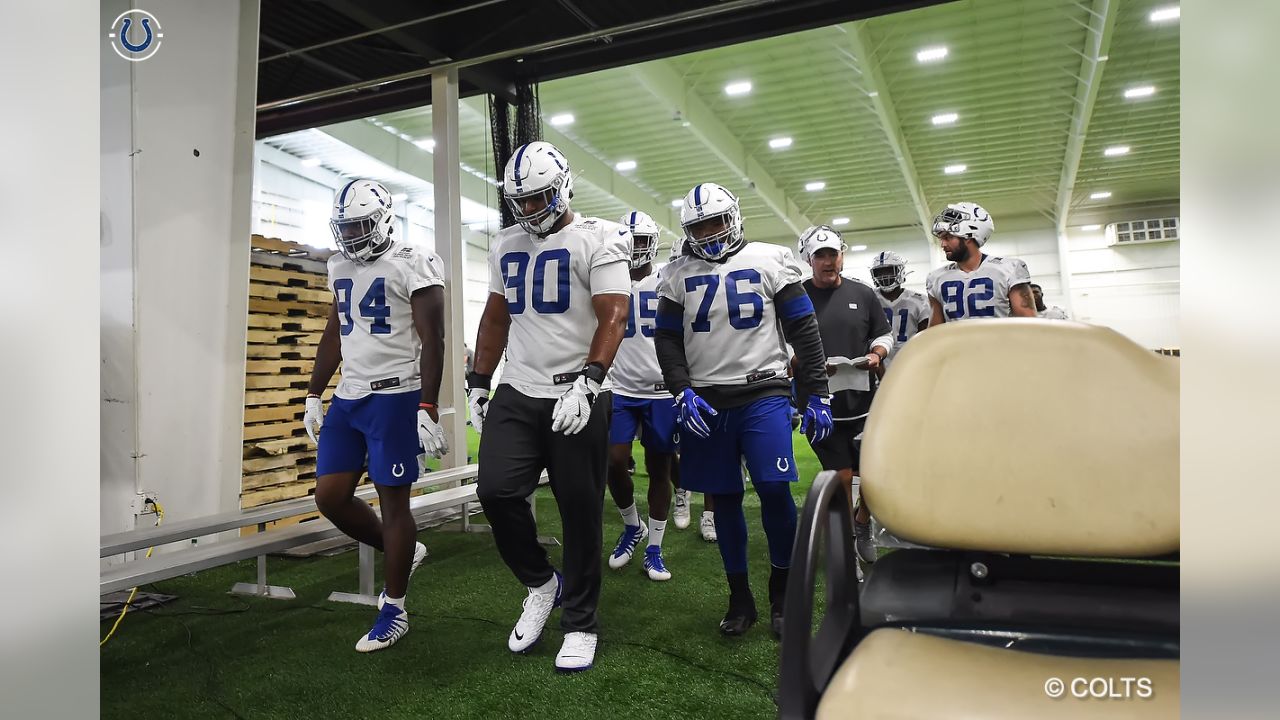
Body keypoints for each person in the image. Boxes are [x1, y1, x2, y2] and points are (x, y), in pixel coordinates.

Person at [467, 141, 630, 673]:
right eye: (521, 200)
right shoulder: (505, 243)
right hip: (519, 387)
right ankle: (542, 583)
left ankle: (581, 621)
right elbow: (495, 319)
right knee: (494, 491)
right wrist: (477, 381)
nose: (530, 209)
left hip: (578, 391)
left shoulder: (601, 238)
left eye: (538, 198)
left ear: (561, 188)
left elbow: (613, 317)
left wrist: (590, 381)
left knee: (580, 512)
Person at [655, 182, 831, 639]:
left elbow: (803, 330)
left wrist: (817, 393)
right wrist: (680, 389)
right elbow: (668, 339)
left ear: (734, 217)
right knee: (725, 498)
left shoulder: (770, 259)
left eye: (716, 222)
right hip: (707, 399)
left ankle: (782, 589)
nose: (710, 233)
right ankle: (740, 598)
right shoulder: (676, 273)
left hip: (763, 392)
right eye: (699, 226)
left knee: (773, 488)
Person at [302, 179, 447, 652]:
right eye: (345, 226)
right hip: (350, 397)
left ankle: (395, 608)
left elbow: (433, 340)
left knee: (394, 503)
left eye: (361, 224)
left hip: (396, 396)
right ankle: (402, 551)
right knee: (330, 496)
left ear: (384, 218)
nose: (353, 235)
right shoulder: (338, 263)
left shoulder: (414, 261)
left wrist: (427, 405)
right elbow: (334, 331)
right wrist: (312, 393)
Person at [796, 225, 893, 568]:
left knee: (873, 476)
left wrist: (877, 354)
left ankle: (862, 522)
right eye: (820, 255)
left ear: (842, 255)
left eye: (833, 254)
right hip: (818, 404)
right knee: (839, 477)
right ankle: (846, 545)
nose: (828, 261)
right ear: (808, 258)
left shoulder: (863, 294)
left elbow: (883, 334)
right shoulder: (795, 295)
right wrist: (807, 364)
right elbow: (780, 347)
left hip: (864, 402)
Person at [604, 211, 679, 581]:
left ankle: (655, 549)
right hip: (620, 387)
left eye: (640, 241)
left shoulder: (668, 278)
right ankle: (633, 526)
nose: (635, 250)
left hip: (662, 392)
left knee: (659, 468)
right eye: (628, 242)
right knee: (613, 460)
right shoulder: (606, 278)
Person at [664, 237, 717, 541]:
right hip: (675, 379)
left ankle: (709, 514)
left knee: (711, 449)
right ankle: (682, 490)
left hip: (708, 378)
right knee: (672, 446)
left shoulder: (715, 283)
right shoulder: (669, 287)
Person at [925, 202, 1038, 324]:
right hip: (956, 343)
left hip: (1000, 342)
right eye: (941, 239)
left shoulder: (1009, 269)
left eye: (948, 237)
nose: (943, 244)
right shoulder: (936, 278)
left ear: (968, 236)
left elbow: (1028, 322)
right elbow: (935, 329)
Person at [869, 250, 930, 372]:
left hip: (911, 360)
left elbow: (926, 340)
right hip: (878, 360)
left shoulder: (919, 301)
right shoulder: (868, 298)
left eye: (889, 270)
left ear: (900, 271)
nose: (884, 276)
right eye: (879, 272)